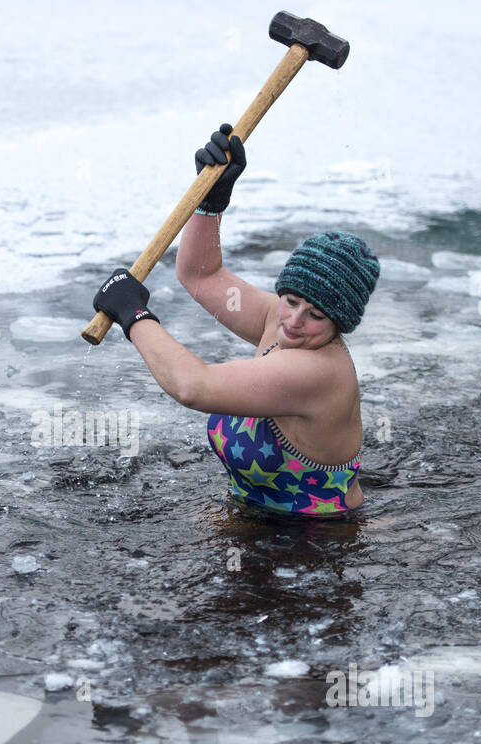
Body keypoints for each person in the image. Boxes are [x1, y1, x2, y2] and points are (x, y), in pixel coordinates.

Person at [93, 124, 381, 518]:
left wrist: (134, 316)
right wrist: (210, 202)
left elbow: (193, 387)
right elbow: (202, 275)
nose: (294, 321)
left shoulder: (315, 371)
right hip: (259, 520)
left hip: (318, 544)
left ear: (341, 324)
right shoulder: (275, 321)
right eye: (291, 300)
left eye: (316, 315)